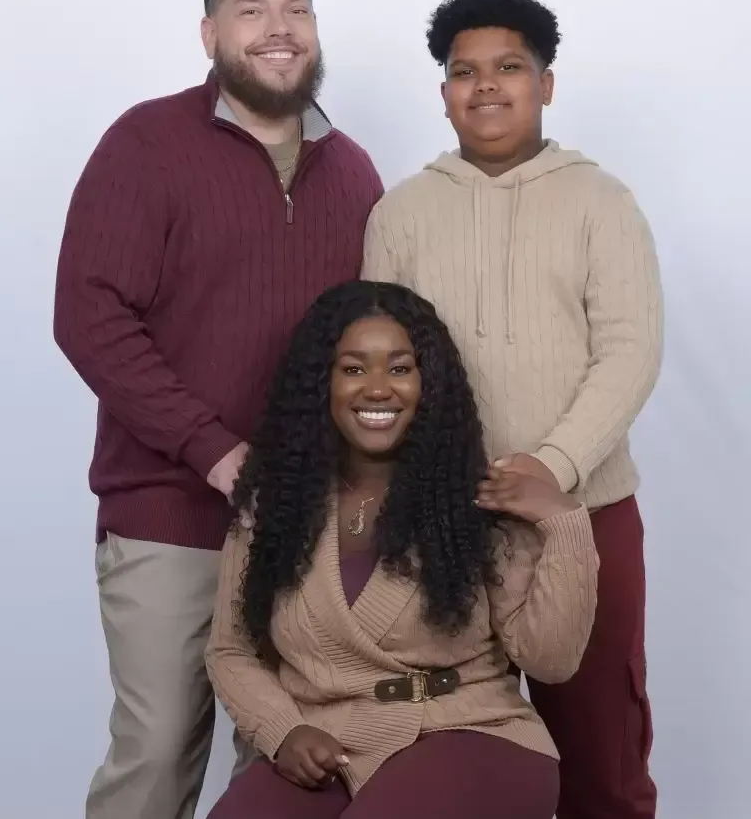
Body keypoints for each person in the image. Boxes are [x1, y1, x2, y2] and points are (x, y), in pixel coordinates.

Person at [53, 0, 383, 819]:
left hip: (306, 529)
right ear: (210, 32)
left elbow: (379, 352)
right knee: (157, 758)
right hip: (171, 516)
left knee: (282, 769)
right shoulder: (146, 143)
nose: (279, 29)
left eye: (298, 8)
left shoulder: (353, 171)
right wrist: (213, 450)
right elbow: (89, 316)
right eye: (252, 9)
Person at [361, 0, 663, 819]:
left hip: (584, 515)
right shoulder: (402, 211)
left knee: (601, 752)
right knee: (456, 754)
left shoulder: (602, 201)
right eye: (465, 71)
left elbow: (631, 351)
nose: (486, 86)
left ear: (546, 84)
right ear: (444, 92)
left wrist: (552, 467)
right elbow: (380, 364)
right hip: (441, 523)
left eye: (508, 68)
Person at [205, 280, 598, 819]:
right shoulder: (277, 502)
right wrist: (282, 730)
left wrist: (565, 521)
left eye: (399, 368)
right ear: (321, 382)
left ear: (427, 382)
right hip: (329, 743)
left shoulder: (475, 499)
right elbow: (232, 650)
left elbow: (550, 661)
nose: (377, 389)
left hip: (472, 732)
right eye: (353, 368)